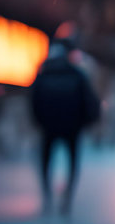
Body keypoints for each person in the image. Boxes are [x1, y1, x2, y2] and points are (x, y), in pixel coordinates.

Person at [29, 39, 100, 214]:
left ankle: (47, 195)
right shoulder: (78, 75)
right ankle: (67, 198)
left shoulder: (43, 75)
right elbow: (89, 102)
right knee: (72, 163)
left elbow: (33, 102)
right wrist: (85, 122)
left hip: (49, 127)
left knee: (46, 161)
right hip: (72, 128)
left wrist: (39, 122)